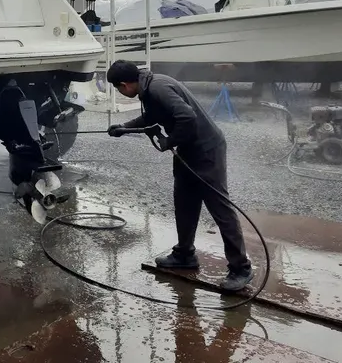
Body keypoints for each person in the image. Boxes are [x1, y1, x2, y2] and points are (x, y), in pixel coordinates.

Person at [105, 60, 254, 292]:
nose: (120, 92)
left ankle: (241, 268)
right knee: (184, 203)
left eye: (118, 88)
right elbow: (152, 117)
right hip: (188, 150)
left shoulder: (157, 88)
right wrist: (124, 127)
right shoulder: (149, 86)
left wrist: (169, 141)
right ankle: (185, 254)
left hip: (206, 151)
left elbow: (187, 117)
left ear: (124, 84)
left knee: (220, 210)